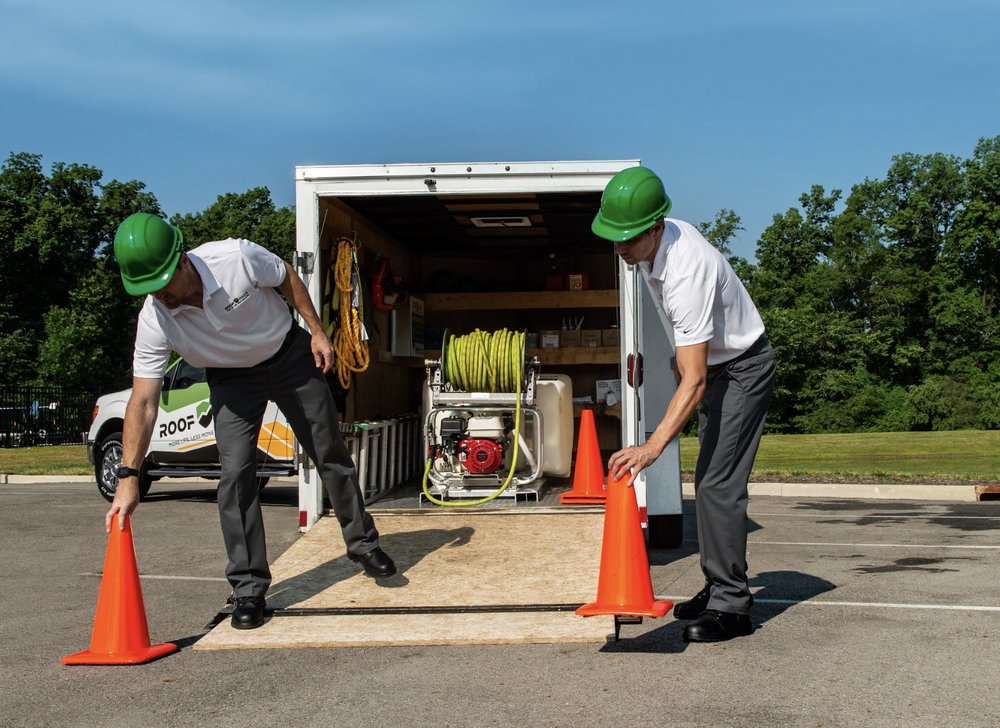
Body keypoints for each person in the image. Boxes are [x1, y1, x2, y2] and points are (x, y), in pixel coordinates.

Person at [105, 212, 396, 630]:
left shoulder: (236, 258)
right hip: (229, 378)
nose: (159, 296)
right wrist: (129, 476)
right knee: (236, 473)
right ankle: (249, 588)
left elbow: (286, 277)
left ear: (183, 260)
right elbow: (144, 402)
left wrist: (315, 329)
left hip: (288, 355)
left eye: (163, 283)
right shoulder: (154, 320)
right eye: (147, 288)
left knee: (328, 451)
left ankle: (363, 544)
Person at [593, 167, 776, 643]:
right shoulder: (659, 244)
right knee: (711, 480)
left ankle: (733, 607)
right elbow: (691, 363)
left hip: (743, 368)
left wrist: (651, 447)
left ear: (656, 227)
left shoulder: (686, 269)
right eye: (613, 238)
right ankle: (720, 584)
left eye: (627, 239)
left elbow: (693, 380)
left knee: (718, 485)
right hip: (716, 367)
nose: (619, 249)